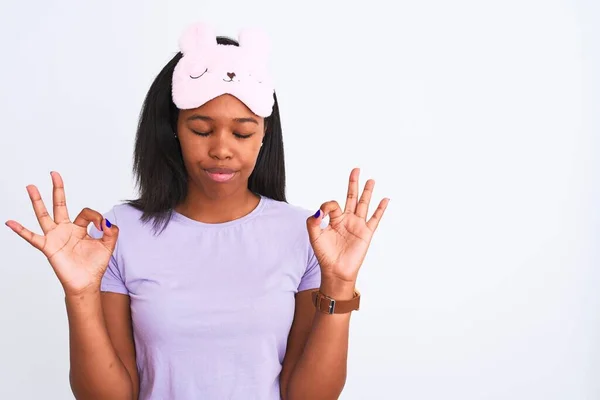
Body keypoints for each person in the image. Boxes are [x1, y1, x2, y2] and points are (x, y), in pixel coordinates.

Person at [5, 21, 389, 400]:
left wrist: (339, 282)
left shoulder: (306, 235)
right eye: (202, 130)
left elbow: (308, 397)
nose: (222, 149)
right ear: (174, 128)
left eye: (242, 133)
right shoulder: (118, 234)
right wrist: (81, 293)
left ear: (264, 134)